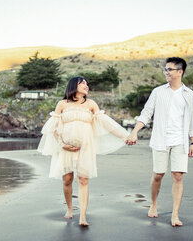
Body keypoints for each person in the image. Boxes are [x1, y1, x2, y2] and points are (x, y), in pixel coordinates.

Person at [37, 76, 129, 226]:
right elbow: (53, 127)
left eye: (87, 83)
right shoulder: (62, 104)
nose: (86, 85)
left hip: (86, 147)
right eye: (83, 83)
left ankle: (83, 216)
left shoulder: (91, 104)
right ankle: (69, 209)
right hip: (66, 147)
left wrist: (125, 136)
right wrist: (61, 143)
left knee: (83, 179)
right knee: (67, 179)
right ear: (74, 86)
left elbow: (106, 123)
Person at [126, 57, 193, 227]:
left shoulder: (189, 94)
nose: (166, 72)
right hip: (160, 139)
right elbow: (146, 113)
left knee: (178, 176)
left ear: (180, 72)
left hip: (180, 141)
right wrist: (134, 132)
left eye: (170, 69)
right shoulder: (158, 92)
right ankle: (154, 204)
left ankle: (175, 215)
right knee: (158, 175)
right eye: (165, 69)